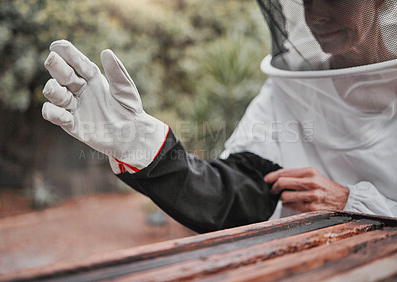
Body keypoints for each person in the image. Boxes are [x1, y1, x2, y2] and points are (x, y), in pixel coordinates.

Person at [41, 0, 397, 233]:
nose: (317, 14)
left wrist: (351, 202)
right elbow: (233, 193)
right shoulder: (285, 94)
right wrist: (140, 146)